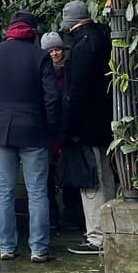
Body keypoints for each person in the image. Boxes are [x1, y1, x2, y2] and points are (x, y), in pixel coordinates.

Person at [0, 9, 61, 262]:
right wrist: (51, 127)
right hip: (34, 131)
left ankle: (7, 247)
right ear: (32, 32)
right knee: (37, 192)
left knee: (3, 191)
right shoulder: (40, 56)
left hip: (1, 131)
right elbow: (52, 97)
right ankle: (39, 249)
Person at [60, 0, 115, 255]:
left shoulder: (82, 44)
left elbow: (76, 91)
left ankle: (97, 237)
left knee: (90, 181)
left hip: (86, 124)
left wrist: (68, 127)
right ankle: (112, 230)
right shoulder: (104, 36)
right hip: (106, 120)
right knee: (106, 176)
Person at [40, 31, 85, 236]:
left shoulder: (69, 71)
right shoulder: (43, 73)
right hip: (50, 132)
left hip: (64, 132)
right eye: (50, 51)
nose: (55, 54)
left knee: (68, 177)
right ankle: (52, 219)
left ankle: (71, 216)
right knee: (48, 178)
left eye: (57, 49)